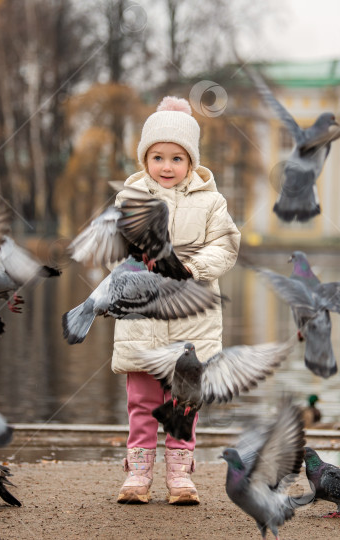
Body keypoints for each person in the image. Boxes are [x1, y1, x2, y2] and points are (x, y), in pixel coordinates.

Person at [113, 96, 241, 505]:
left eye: (176, 158)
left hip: (192, 317)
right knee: (142, 400)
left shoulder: (211, 201)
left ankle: (180, 475)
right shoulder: (130, 198)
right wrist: (141, 258)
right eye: (157, 157)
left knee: (184, 401)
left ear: (191, 162)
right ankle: (137, 474)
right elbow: (119, 244)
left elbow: (226, 245)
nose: (166, 167)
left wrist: (193, 267)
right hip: (143, 314)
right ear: (144, 159)